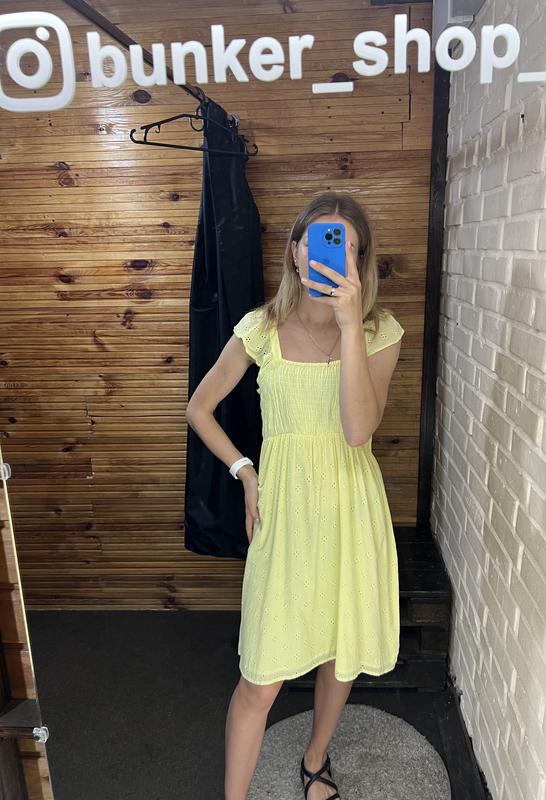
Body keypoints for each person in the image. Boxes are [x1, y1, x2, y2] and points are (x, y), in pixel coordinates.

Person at [186, 191, 405, 799]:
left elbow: (358, 431)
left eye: (347, 247)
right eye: (321, 241)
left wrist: (349, 326)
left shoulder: (379, 333)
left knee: (339, 650)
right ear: (295, 250)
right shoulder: (260, 328)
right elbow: (199, 408)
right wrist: (245, 472)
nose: (331, 256)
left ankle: (314, 760)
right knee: (259, 679)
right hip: (284, 514)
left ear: (359, 261)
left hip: (351, 510)